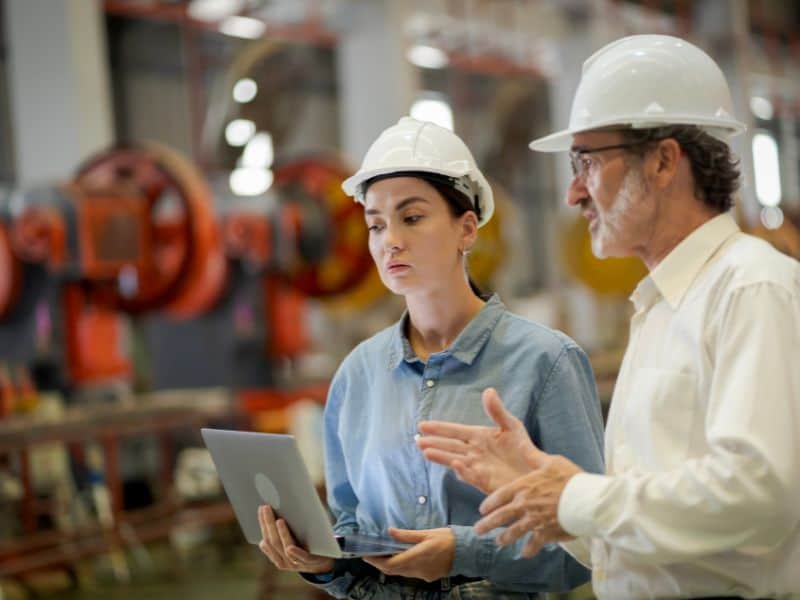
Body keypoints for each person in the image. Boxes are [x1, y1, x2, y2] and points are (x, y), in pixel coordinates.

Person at [417, 34, 800, 599]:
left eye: (587, 162)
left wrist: (574, 497)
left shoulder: (751, 287)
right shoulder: (660, 308)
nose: (573, 193)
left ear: (665, 161)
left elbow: (760, 497)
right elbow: (645, 532)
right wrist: (540, 494)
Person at [255, 116, 605, 599]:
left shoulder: (545, 362)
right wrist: (321, 564)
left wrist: (462, 552)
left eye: (412, 217)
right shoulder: (359, 373)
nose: (390, 240)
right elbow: (351, 527)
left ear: (467, 229)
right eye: (375, 224)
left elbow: (588, 546)